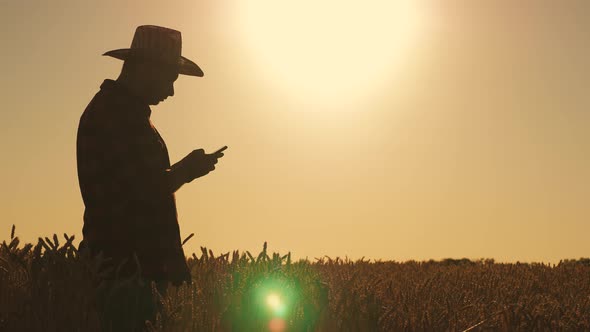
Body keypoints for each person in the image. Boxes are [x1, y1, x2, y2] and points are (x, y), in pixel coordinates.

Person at [76, 25, 225, 329]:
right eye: (169, 79)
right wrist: (186, 170)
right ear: (145, 68)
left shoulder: (122, 112)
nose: (171, 91)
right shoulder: (115, 115)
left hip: (133, 272)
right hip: (127, 275)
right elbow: (140, 192)